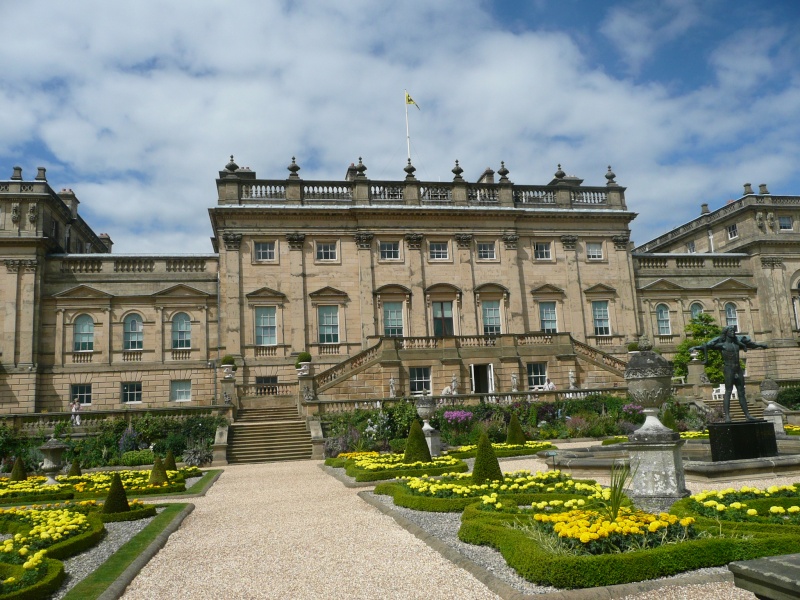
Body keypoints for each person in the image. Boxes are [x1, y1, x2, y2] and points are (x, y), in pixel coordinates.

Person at [691, 325, 767, 422]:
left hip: (738, 369)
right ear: (726, 333)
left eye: (733, 331)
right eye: (730, 331)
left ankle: (748, 415)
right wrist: (695, 348)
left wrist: (761, 345)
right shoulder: (722, 345)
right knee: (728, 391)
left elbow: (751, 345)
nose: (733, 332)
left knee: (741, 393)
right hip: (728, 369)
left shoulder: (737, 344)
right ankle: (727, 416)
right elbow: (706, 346)